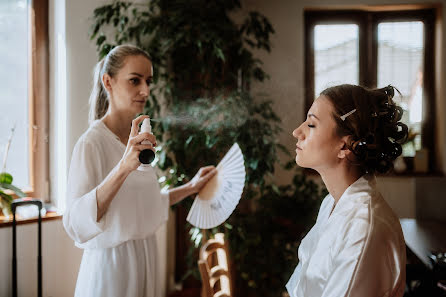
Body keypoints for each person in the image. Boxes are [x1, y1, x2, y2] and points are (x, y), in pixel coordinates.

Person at [63, 44, 217, 297]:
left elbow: (143, 203)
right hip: (112, 269)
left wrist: (191, 187)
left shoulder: (139, 139)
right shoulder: (91, 144)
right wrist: (124, 167)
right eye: (135, 80)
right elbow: (76, 223)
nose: (145, 90)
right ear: (108, 82)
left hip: (145, 259)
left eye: (148, 81)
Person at [286, 84, 408, 297]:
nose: (297, 131)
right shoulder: (330, 204)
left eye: (312, 124)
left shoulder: (364, 228)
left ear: (345, 146)